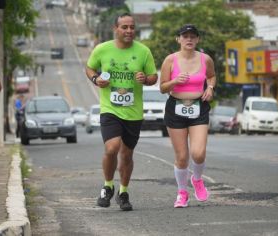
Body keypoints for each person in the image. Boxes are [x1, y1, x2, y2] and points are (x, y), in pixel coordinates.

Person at [85, 13, 158, 211]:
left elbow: (154, 77)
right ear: (115, 29)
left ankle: (123, 192)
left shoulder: (143, 51)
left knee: (126, 155)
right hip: (110, 109)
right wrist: (96, 79)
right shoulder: (102, 49)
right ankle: (107, 186)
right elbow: (90, 68)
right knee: (112, 148)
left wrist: (146, 79)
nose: (129, 31)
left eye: (132, 27)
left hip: (133, 112)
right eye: (124, 27)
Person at [159, 24, 216, 208]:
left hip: (199, 107)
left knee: (198, 153)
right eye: (185, 36)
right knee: (182, 157)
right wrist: (175, 81)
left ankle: (197, 179)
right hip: (175, 108)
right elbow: (162, 88)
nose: (189, 39)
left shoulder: (205, 59)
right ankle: (182, 193)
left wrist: (210, 87)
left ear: (198, 39)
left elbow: (212, 76)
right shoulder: (170, 60)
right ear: (178, 39)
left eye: (193, 36)